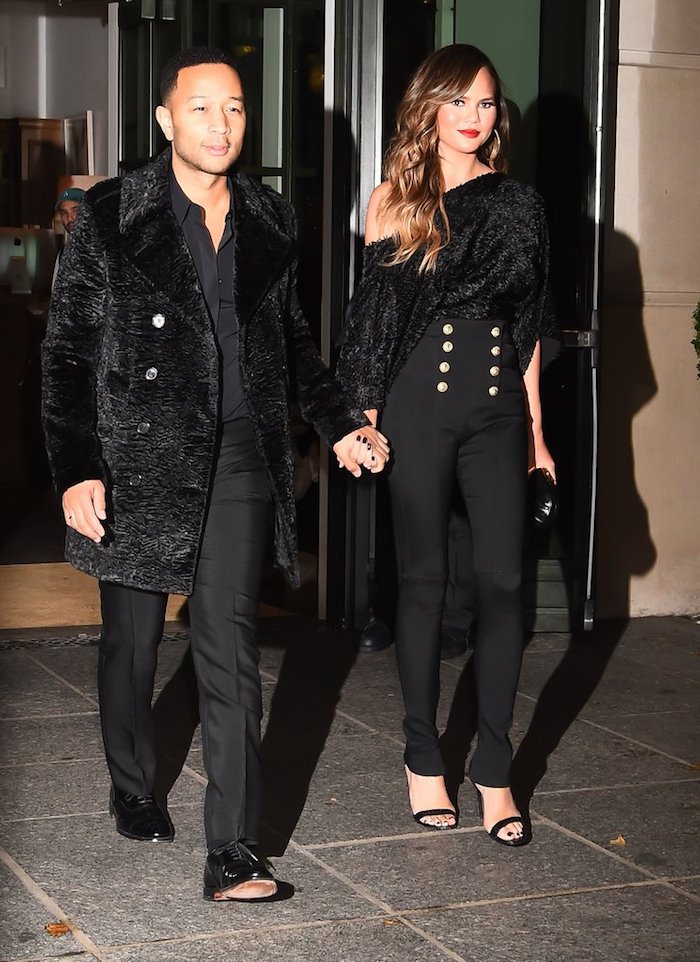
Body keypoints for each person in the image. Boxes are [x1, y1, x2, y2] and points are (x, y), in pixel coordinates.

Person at [41, 46, 388, 902]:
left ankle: (233, 848)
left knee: (226, 642)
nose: (221, 124)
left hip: (237, 456)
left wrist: (339, 424)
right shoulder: (113, 214)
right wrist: (78, 469)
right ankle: (132, 783)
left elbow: (293, 344)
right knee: (132, 644)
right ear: (166, 119)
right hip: (136, 458)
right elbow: (68, 354)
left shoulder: (270, 218)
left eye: (233, 107)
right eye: (200, 108)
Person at [337, 44, 559, 846]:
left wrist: (537, 435)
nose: (473, 117)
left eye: (486, 103)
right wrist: (361, 417)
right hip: (415, 406)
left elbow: (528, 326)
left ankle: (495, 771)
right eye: (458, 101)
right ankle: (422, 758)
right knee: (423, 582)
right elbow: (374, 322)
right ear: (427, 108)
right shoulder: (393, 200)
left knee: (504, 584)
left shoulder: (521, 205)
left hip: (496, 406)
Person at [51, 187, 86, 289]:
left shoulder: (105, 250)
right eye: (63, 213)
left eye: (75, 210)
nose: (70, 218)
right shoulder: (64, 253)